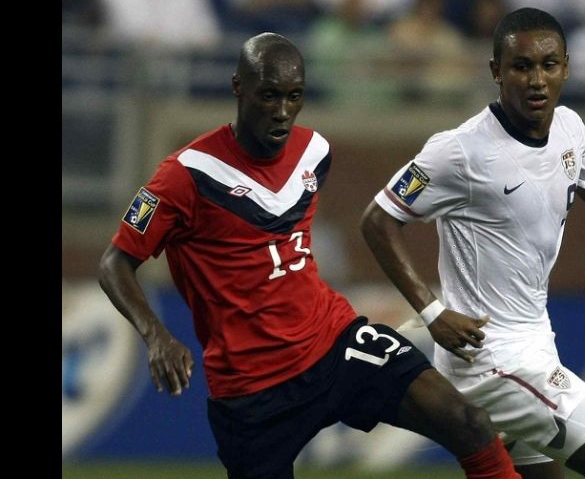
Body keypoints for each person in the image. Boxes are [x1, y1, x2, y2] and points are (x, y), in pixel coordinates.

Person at [97, 33, 522, 479]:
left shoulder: (314, 153)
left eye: (293, 96)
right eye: (269, 95)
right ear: (238, 86)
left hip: (335, 343)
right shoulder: (185, 175)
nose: (282, 111)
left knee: (469, 423)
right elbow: (114, 263)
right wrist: (156, 336)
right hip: (251, 387)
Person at [360, 8, 585, 479]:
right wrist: (433, 313)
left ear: (566, 66)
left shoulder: (569, 128)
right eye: (521, 66)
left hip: (534, 341)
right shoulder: (458, 150)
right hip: (492, 358)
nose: (536, 79)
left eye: (548, 65)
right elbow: (378, 220)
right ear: (496, 71)